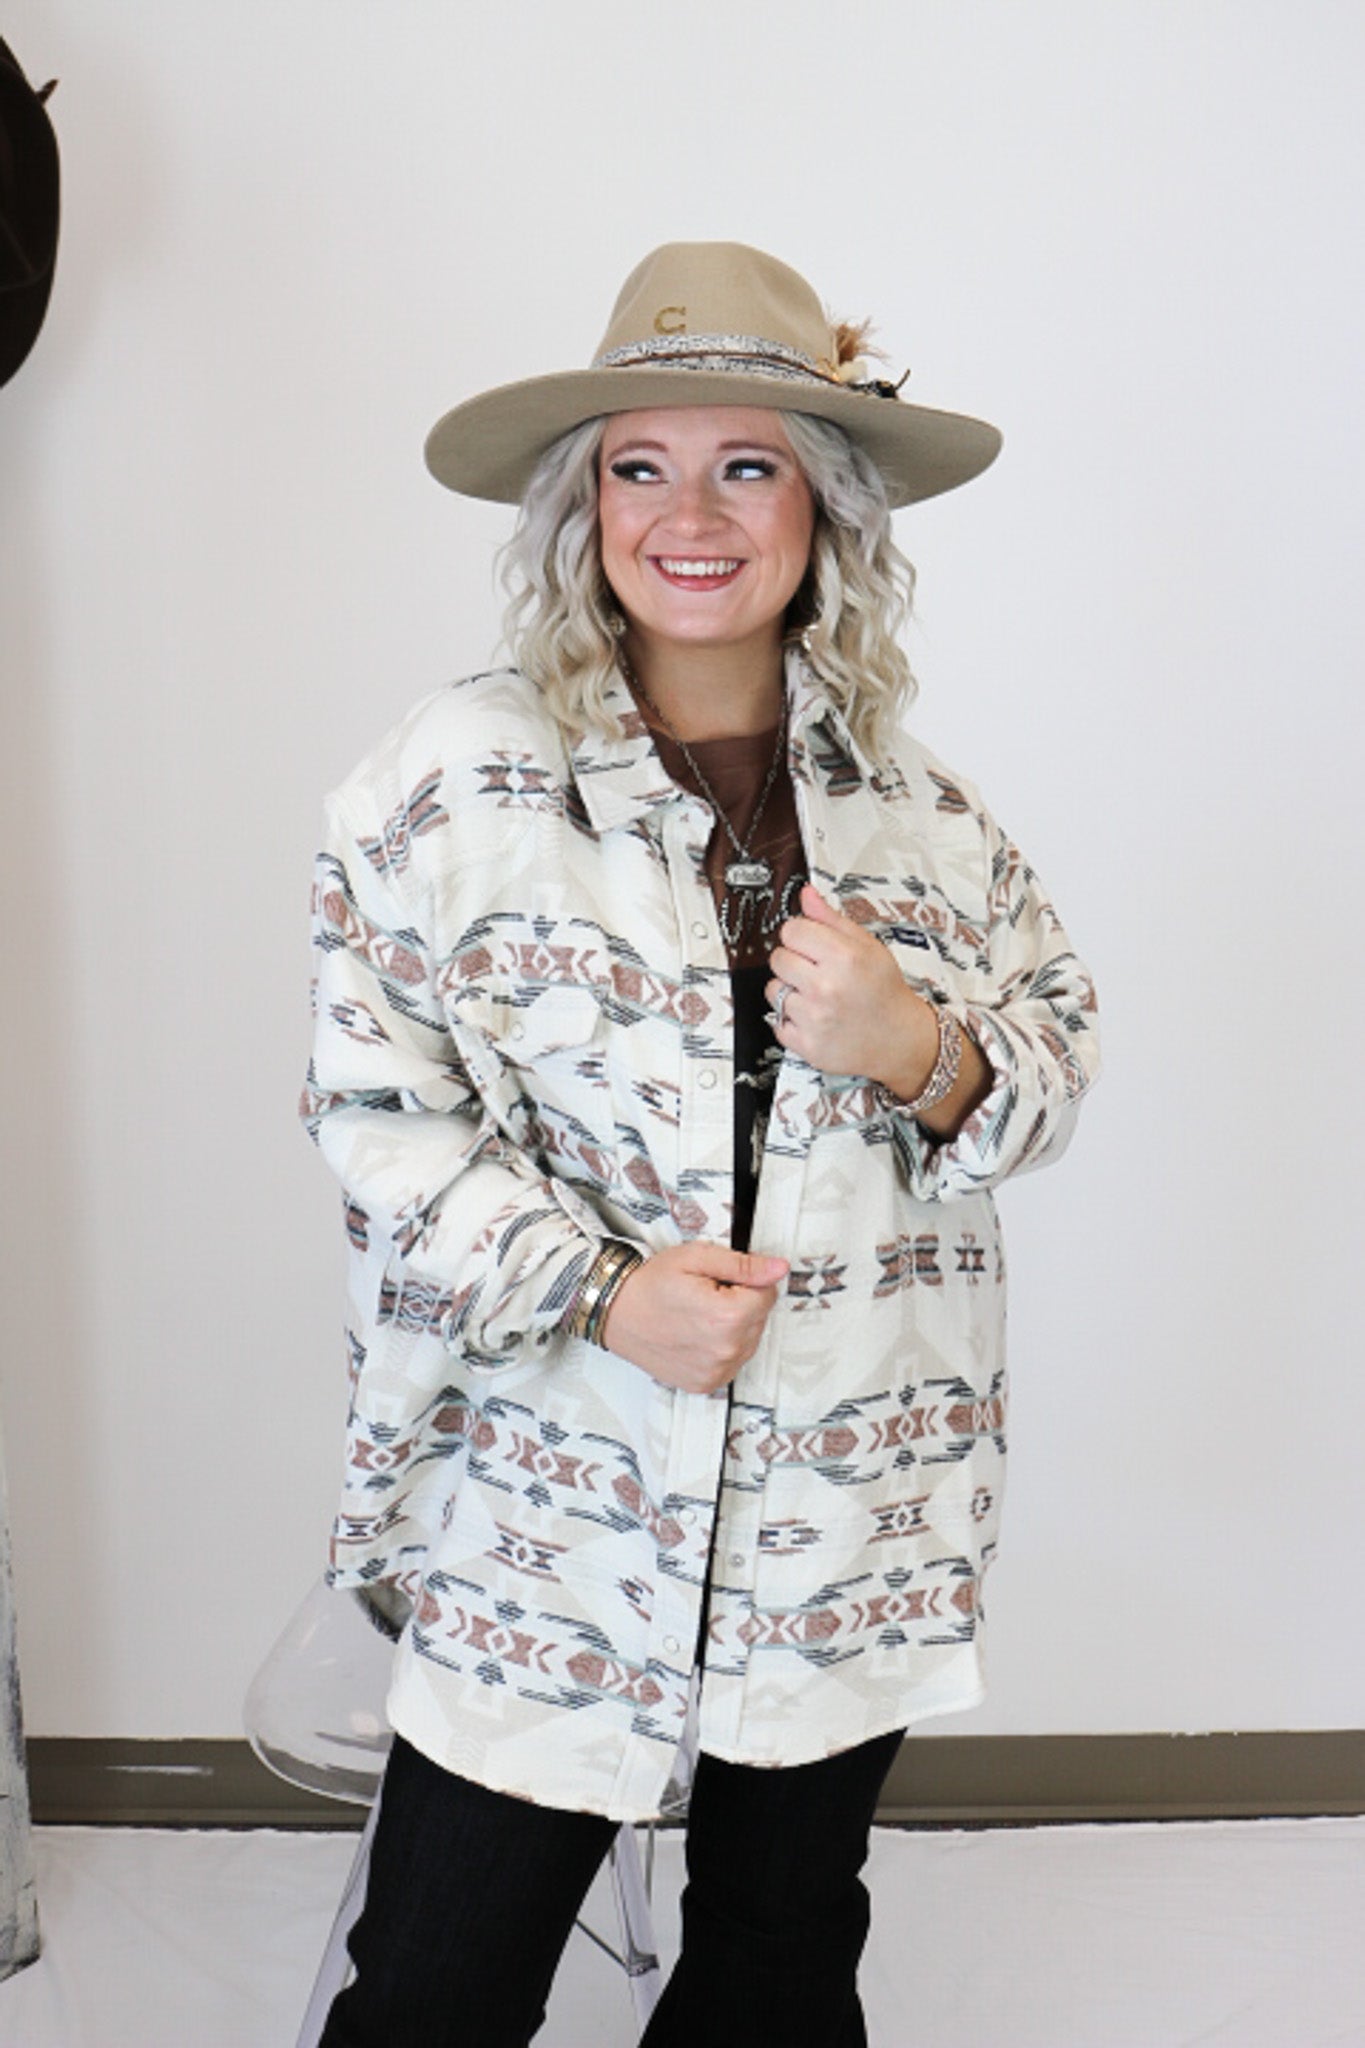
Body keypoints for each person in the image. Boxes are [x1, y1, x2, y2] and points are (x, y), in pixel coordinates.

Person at [302, 241, 1099, 2048]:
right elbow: (376, 1111)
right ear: (579, 509)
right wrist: (601, 1293)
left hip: (848, 1492)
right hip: (552, 1483)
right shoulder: (447, 781)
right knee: (435, 1979)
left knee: (779, 1951)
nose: (691, 516)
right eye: (638, 466)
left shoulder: (925, 815)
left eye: (749, 465)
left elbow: (1059, 1052)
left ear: (825, 513)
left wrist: (921, 1050)